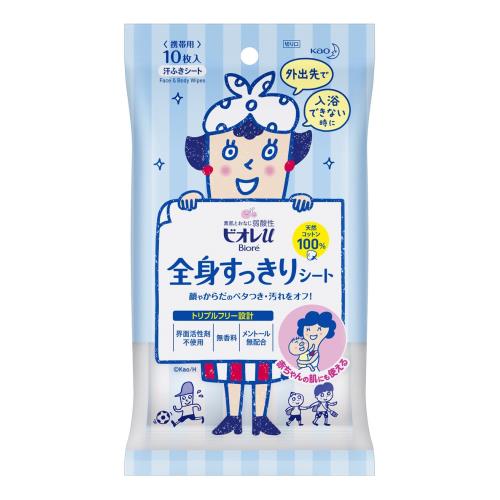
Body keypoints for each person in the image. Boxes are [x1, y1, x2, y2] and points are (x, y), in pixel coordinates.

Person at [178, 71, 314, 436]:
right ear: (207, 163)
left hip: (269, 310)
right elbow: (188, 232)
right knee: (231, 365)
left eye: (269, 153)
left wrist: (302, 205)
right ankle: (233, 415)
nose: (248, 166)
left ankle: (263, 415)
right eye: (230, 154)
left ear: (287, 162)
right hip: (226, 311)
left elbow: (305, 230)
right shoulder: (207, 209)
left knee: (265, 366)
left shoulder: (286, 211)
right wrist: (190, 204)